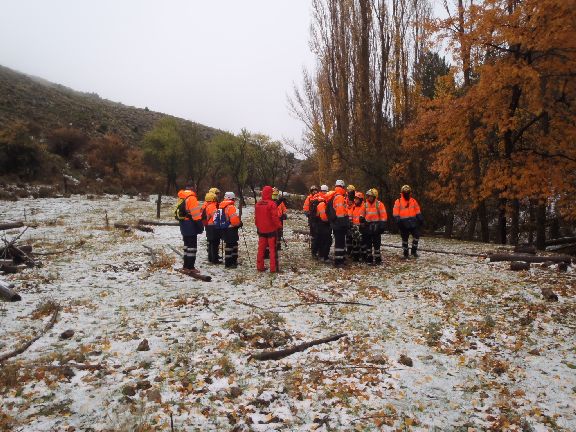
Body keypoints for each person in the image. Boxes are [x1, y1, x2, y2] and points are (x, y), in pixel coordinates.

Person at [176, 183, 204, 274]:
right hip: (190, 224)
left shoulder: (182, 197)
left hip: (183, 223)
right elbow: (195, 214)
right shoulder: (192, 198)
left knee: (186, 246)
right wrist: (200, 226)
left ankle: (185, 266)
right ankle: (191, 267)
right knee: (192, 247)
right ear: (193, 188)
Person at [255, 186, 282, 272]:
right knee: (272, 250)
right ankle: (273, 268)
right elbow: (274, 217)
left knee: (261, 249)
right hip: (271, 230)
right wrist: (279, 226)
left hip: (261, 230)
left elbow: (256, 218)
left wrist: (258, 227)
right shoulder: (272, 204)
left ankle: (260, 267)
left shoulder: (258, 204)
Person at [213, 191, 243, 268]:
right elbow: (234, 221)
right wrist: (239, 224)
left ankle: (229, 262)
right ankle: (230, 263)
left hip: (223, 229)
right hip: (231, 229)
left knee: (229, 245)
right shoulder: (230, 207)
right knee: (232, 246)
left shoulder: (221, 206)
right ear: (232, 198)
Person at [393, 185, 423, 258]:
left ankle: (414, 251)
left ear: (410, 193)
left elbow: (417, 210)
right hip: (403, 223)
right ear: (402, 193)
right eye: (405, 192)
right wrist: (398, 220)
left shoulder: (413, 201)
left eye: (408, 192)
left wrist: (420, 217)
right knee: (405, 239)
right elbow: (395, 212)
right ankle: (405, 253)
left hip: (413, 222)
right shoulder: (398, 201)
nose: (406, 194)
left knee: (416, 236)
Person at [362, 188, 387, 264]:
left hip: (376, 226)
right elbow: (362, 213)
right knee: (368, 243)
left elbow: (383, 215)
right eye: (368, 196)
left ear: (374, 196)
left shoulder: (379, 204)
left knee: (377, 243)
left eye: (371, 196)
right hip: (368, 225)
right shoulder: (365, 204)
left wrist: (382, 224)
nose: (369, 197)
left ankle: (377, 258)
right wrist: (361, 218)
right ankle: (369, 258)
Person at [328, 180, 350, 267]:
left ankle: (341, 259)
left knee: (340, 242)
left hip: (336, 223)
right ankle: (338, 261)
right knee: (340, 243)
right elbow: (340, 213)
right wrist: (344, 224)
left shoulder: (335, 196)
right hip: (339, 223)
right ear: (342, 187)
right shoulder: (340, 197)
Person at [201, 192, 220, 264]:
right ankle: (214, 259)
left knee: (211, 242)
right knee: (215, 243)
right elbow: (215, 217)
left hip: (209, 226)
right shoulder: (212, 206)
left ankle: (210, 258)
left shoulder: (207, 205)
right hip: (213, 226)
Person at [315, 191, 333, 263]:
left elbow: (317, 215)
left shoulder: (320, 204)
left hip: (320, 224)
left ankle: (321, 255)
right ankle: (325, 256)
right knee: (327, 241)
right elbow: (330, 217)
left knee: (321, 240)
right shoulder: (329, 206)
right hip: (326, 224)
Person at [349, 191, 366, 261]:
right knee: (355, 242)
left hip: (362, 227)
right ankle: (356, 257)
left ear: (361, 199)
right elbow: (351, 216)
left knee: (363, 242)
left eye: (357, 199)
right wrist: (350, 223)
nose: (355, 200)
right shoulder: (353, 207)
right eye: (355, 198)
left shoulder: (364, 206)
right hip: (354, 227)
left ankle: (364, 256)